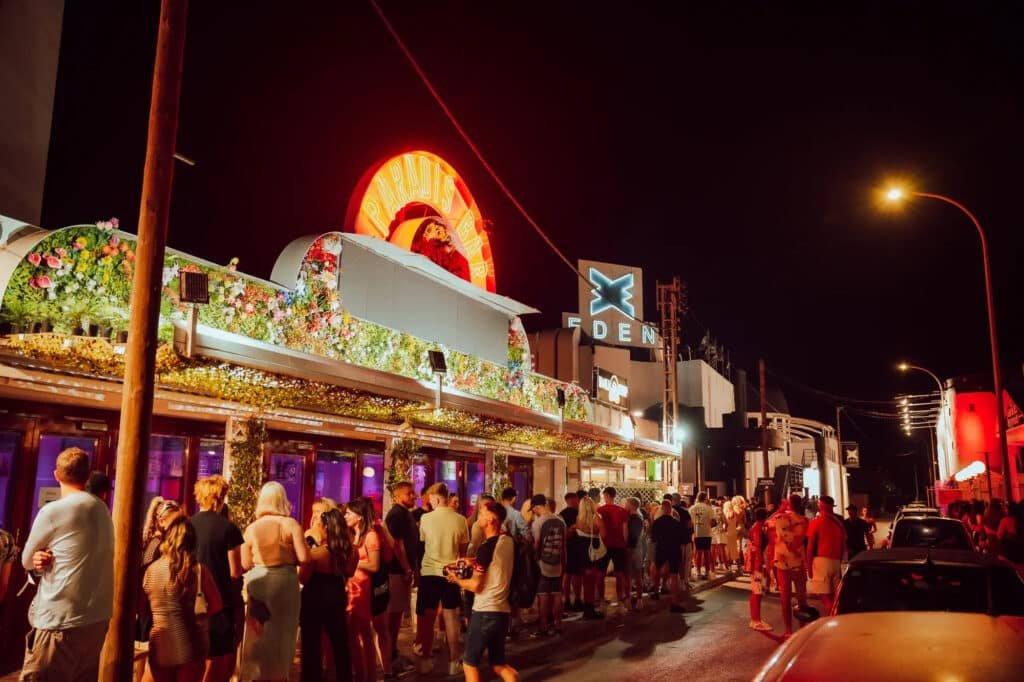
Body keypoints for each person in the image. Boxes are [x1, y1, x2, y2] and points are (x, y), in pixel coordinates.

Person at [19, 447, 114, 681]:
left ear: (56, 475)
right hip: (95, 619)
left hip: (61, 618)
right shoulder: (101, 509)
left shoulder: (54, 510)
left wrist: (40, 557)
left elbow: (26, 560)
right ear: (87, 474)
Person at [239, 481, 310, 682]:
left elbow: (245, 563)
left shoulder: (251, 528)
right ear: (282, 500)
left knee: (259, 632)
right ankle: (279, 676)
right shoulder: (291, 524)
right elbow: (305, 558)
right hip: (285, 582)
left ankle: (257, 676)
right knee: (283, 634)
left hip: (259, 580)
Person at [143, 518, 224, 682]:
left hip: (161, 642)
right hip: (192, 641)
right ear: (192, 542)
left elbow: (143, 607)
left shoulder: (151, 570)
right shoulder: (198, 571)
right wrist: (199, 616)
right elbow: (216, 605)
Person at [446, 500, 518, 682]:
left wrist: (456, 579)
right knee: (499, 664)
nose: (478, 514)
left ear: (492, 519)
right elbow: (490, 561)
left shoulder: (486, 548)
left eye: (482, 512)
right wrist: (471, 561)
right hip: (502, 611)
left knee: (469, 663)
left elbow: (476, 585)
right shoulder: (507, 541)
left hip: (485, 611)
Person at [191, 475, 244, 682]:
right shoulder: (228, 528)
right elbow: (235, 570)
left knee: (195, 653)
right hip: (218, 600)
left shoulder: (188, 524)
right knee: (215, 656)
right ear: (220, 497)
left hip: (191, 597)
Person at [414, 482, 469, 676]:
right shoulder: (461, 520)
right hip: (451, 572)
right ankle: (454, 661)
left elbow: (423, 545)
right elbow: (463, 552)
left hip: (429, 572)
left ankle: (426, 660)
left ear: (436, 498)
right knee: (451, 617)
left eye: (430, 499)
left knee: (428, 618)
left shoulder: (426, 519)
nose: (430, 503)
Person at [300, 508, 356, 682]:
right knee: (340, 644)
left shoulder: (316, 555)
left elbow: (302, 578)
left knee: (311, 645)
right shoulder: (351, 552)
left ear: (325, 527)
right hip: (337, 596)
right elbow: (350, 572)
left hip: (314, 598)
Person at [345, 497, 391, 681]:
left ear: (360, 516)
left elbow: (374, 565)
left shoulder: (370, 535)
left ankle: (368, 674)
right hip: (352, 588)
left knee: (363, 632)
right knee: (355, 633)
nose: (345, 516)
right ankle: (361, 672)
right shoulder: (352, 534)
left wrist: (353, 562)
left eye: (349, 513)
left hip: (364, 589)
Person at [385, 481, 419, 670]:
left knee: (397, 614)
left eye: (413, 493)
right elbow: (397, 544)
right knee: (394, 615)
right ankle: (390, 655)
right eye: (409, 493)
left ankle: (393, 652)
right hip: (396, 571)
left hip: (401, 571)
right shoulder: (397, 514)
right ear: (398, 496)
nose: (413, 496)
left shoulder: (404, 513)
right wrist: (406, 568)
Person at [768, 494, 810, 637]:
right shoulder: (804, 521)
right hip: (799, 562)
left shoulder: (780, 518)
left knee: (785, 599)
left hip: (782, 564)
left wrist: (781, 508)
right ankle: (803, 629)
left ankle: (788, 630)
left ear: (788, 504)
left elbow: (767, 523)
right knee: (802, 598)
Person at [530, 494, 566, 637]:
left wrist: (530, 549)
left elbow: (537, 544)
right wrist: (564, 563)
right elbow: (564, 545)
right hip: (557, 563)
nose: (534, 512)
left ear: (537, 506)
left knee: (543, 596)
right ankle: (558, 625)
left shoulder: (538, 523)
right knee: (557, 595)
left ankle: (543, 627)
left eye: (534, 509)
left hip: (543, 564)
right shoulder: (560, 520)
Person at [806, 495, 845, 615]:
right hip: (836, 562)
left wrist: (809, 568)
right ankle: (836, 618)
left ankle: (833, 620)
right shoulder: (839, 523)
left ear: (821, 505)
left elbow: (810, 546)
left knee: (824, 597)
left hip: (821, 562)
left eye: (818, 503)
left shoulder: (816, 522)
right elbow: (843, 545)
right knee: (833, 597)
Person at [650, 500, 687, 613]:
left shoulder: (657, 522)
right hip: (674, 551)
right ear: (670, 509)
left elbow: (653, 539)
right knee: (673, 577)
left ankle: (656, 591)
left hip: (661, 549)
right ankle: (674, 603)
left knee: (657, 570)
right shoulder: (676, 523)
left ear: (662, 509)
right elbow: (682, 541)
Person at [596, 487, 630, 608]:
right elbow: (625, 530)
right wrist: (624, 543)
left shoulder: (599, 510)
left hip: (604, 545)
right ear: (614, 496)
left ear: (606, 496)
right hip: (619, 545)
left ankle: (601, 598)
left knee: (601, 572)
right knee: (619, 573)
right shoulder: (622, 511)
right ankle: (620, 597)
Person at [746, 507, 772, 631]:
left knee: (757, 592)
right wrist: (762, 565)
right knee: (757, 592)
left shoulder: (755, 527)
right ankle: (756, 620)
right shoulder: (758, 529)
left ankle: (756, 619)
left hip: (756, 564)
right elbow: (758, 547)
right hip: (758, 564)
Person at [559, 492, 583, 610]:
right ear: (573, 500)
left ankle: (567, 600)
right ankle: (577, 600)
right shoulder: (578, 513)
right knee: (576, 575)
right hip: (576, 547)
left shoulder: (561, 514)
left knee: (567, 575)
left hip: (565, 547)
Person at [624, 497, 647, 608]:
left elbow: (633, 536)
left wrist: (629, 549)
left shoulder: (635, 518)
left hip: (633, 549)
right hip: (636, 549)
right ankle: (637, 599)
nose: (625, 505)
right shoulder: (638, 516)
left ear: (631, 505)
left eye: (626, 503)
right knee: (635, 575)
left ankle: (636, 600)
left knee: (631, 575)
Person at [690, 492, 714, 579]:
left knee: (698, 552)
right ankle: (707, 572)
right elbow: (712, 522)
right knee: (707, 552)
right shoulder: (709, 508)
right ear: (705, 498)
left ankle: (698, 571)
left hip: (697, 532)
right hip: (707, 532)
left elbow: (690, 522)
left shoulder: (692, 508)